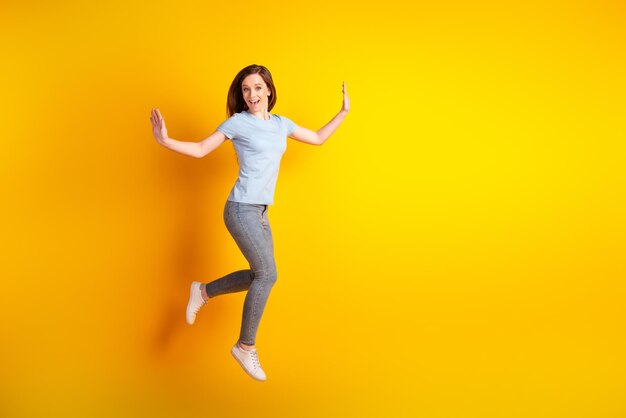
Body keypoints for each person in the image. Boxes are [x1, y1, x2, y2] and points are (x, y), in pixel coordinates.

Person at [150, 64, 350, 381]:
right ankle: (245, 346)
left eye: (257, 88)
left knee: (261, 275)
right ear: (242, 96)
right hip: (240, 208)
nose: (252, 94)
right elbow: (202, 149)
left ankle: (202, 291)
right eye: (246, 90)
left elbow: (317, 138)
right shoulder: (238, 123)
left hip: (259, 211)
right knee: (268, 274)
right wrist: (165, 141)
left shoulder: (281, 124)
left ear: (269, 90)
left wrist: (342, 112)